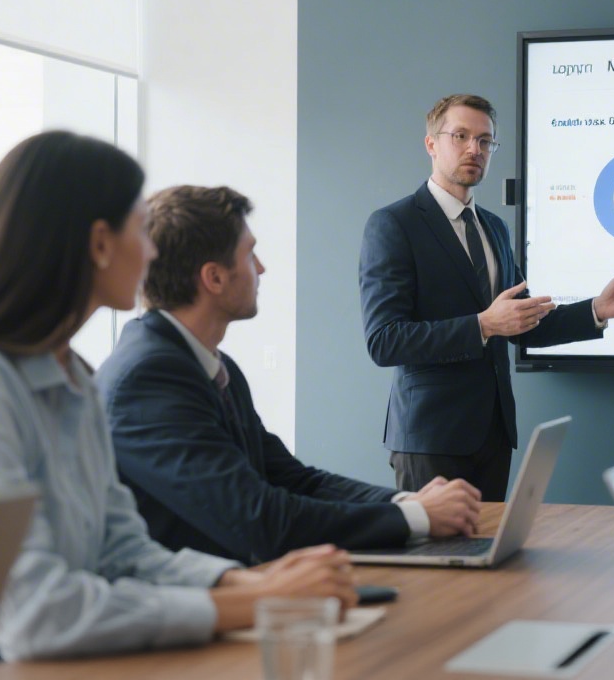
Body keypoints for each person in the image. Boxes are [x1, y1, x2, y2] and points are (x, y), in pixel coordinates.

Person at [0, 132, 356, 661]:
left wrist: (242, 581)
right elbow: (36, 613)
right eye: (142, 230)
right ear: (100, 243)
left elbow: (123, 552)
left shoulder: (75, 375)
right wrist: (258, 601)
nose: (152, 252)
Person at [96, 185, 481, 565]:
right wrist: (417, 518)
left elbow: (295, 479)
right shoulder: (148, 377)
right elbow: (261, 519)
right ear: (213, 278)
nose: (261, 268)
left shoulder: (214, 366)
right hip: (192, 611)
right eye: (250, 254)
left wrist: (406, 501)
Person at [359, 94, 614, 500]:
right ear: (431, 144)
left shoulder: (494, 228)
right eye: (462, 136)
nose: (475, 149)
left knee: (491, 560)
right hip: (430, 438)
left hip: (494, 436)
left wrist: (595, 310)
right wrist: (484, 325)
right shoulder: (393, 225)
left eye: (485, 141)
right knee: (433, 561)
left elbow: (523, 324)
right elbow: (385, 341)